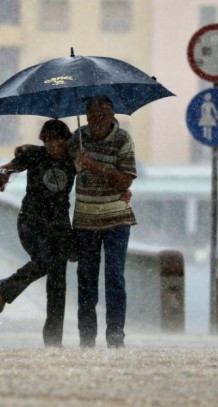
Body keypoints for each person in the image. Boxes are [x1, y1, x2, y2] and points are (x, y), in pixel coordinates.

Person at [0, 119, 77, 347]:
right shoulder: (34, 155)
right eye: (48, 141)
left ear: (65, 141)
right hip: (32, 223)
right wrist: (1, 176)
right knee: (44, 260)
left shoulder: (74, 157)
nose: (53, 146)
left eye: (57, 141)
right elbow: (4, 170)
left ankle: (53, 341)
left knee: (58, 283)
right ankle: (5, 289)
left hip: (59, 227)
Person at [68, 96, 137, 349]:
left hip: (116, 219)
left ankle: (116, 333)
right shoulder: (78, 138)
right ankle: (87, 335)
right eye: (92, 114)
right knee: (86, 277)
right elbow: (64, 169)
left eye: (102, 114)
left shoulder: (123, 139)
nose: (97, 119)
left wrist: (95, 167)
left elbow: (126, 180)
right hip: (86, 220)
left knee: (114, 276)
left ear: (112, 115)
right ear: (85, 116)